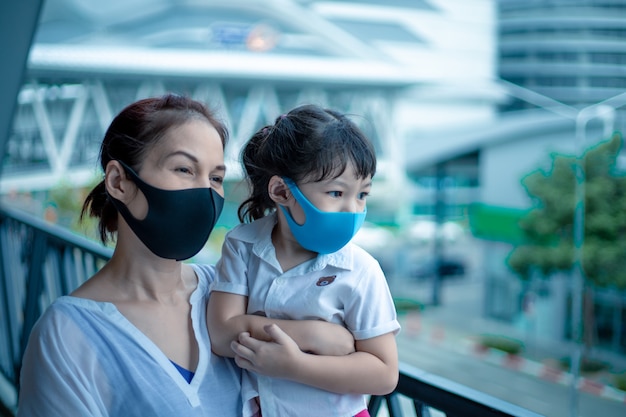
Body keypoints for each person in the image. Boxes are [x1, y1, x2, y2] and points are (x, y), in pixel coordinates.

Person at [17, 94, 353, 417]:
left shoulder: (229, 290)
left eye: (216, 177)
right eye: (183, 169)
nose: (206, 192)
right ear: (119, 181)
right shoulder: (67, 334)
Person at [207, 104, 401, 417]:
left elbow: (384, 373)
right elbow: (221, 334)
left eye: (362, 194)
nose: (353, 208)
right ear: (282, 191)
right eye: (337, 193)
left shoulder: (361, 270)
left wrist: (295, 366)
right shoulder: (242, 245)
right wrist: (318, 336)